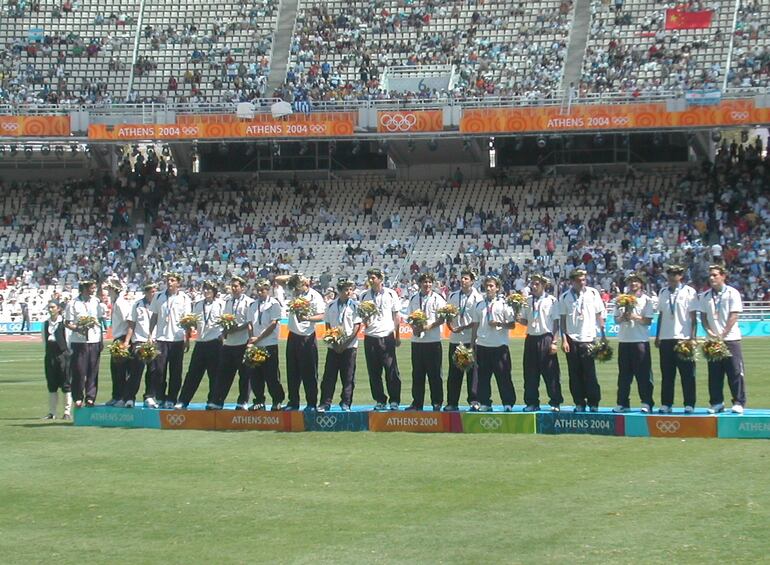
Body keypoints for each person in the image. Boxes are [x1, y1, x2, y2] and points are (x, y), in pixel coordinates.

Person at [700, 265, 746, 414]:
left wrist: (723, 333)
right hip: (713, 340)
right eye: (710, 275)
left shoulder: (732, 293)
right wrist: (708, 331)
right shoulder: (706, 296)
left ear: (723, 276)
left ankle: (738, 401)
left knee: (735, 371)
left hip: (730, 339)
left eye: (715, 275)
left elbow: (734, 315)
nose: (712, 278)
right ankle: (716, 402)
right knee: (714, 374)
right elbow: (703, 317)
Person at [275, 273, 325, 411]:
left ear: (306, 284)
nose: (296, 288)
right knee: (292, 371)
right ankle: (293, 402)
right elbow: (278, 279)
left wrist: (307, 318)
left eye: (300, 285)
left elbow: (321, 315)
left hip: (307, 336)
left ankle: (311, 403)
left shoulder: (315, 296)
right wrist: (295, 277)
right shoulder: (294, 291)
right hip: (293, 335)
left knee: (309, 372)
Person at [559, 269, 606, 412]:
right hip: (572, 339)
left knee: (590, 373)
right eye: (579, 280)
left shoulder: (593, 293)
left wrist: (603, 335)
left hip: (589, 338)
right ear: (572, 281)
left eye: (584, 280)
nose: (582, 283)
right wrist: (564, 340)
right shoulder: (565, 296)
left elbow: (599, 315)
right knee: (574, 374)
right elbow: (562, 320)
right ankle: (579, 402)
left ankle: (594, 403)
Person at [655, 265, 698, 414]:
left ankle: (689, 403)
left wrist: (693, 337)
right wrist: (658, 336)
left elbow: (693, 317)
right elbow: (661, 315)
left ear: (681, 276)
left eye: (676, 274)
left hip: (683, 338)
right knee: (667, 374)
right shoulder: (663, 292)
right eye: (670, 274)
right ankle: (667, 403)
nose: (672, 277)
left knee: (687, 374)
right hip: (666, 338)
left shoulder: (689, 292)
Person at [470, 276, 517, 411]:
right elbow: (475, 325)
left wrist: (499, 324)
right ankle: (485, 402)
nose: (489, 288)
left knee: (504, 377)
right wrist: (472, 344)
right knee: (483, 378)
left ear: (497, 288)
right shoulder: (479, 305)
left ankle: (507, 403)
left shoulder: (504, 304)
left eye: (491, 286)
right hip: (483, 346)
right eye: (487, 286)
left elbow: (512, 325)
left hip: (499, 346)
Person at [176, 281, 223, 409]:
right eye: (205, 289)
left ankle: (213, 401)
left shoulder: (221, 304)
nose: (207, 292)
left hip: (215, 342)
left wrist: (222, 336)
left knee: (214, 374)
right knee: (192, 374)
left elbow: (225, 323)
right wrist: (190, 327)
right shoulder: (197, 305)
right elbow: (194, 323)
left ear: (214, 291)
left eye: (209, 289)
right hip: (200, 343)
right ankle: (183, 401)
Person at [359, 268, 401, 410]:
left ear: (380, 279)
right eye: (369, 278)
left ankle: (394, 400)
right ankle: (380, 400)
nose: (371, 281)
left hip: (387, 336)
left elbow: (396, 316)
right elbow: (362, 317)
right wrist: (366, 320)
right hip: (370, 336)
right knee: (374, 372)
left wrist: (397, 335)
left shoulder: (391, 293)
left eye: (373, 278)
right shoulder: (364, 295)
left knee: (391, 370)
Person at [520, 274, 563, 412]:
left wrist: (555, 341)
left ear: (544, 285)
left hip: (546, 338)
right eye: (532, 283)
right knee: (530, 374)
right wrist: (517, 317)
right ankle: (532, 402)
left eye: (537, 284)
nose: (533, 286)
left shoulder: (551, 300)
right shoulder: (527, 300)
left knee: (551, 373)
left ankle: (555, 402)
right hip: (531, 338)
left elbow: (556, 322)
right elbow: (526, 321)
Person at [613, 272, 655, 413]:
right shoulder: (620, 300)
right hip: (624, 341)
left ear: (641, 284)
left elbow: (648, 321)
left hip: (640, 341)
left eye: (636, 281)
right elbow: (615, 319)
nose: (633, 284)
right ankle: (622, 403)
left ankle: (646, 403)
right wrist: (623, 317)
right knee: (624, 375)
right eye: (630, 281)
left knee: (643, 375)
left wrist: (634, 317)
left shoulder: (646, 300)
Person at [149, 272, 192, 408]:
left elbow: (187, 321)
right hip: (161, 338)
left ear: (178, 283)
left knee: (175, 371)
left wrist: (187, 338)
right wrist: (150, 334)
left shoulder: (185, 298)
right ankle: (160, 397)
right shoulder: (158, 296)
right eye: (168, 280)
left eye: (173, 280)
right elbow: (154, 317)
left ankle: (172, 398)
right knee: (159, 370)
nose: (169, 282)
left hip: (177, 338)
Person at [319, 279, 362, 411]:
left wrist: (345, 344)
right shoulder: (331, 305)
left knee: (348, 377)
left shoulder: (355, 305)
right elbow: (327, 324)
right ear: (339, 291)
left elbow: (357, 326)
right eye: (346, 290)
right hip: (333, 346)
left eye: (350, 289)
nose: (349, 292)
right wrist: (333, 341)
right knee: (329, 376)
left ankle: (346, 402)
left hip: (349, 347)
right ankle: (325, 403)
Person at [211, 275, 254, 410]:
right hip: (228, 344)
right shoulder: (227, 302)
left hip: (243, 342)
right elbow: (224, 320)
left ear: (243, 288)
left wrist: (236, 328)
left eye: (236, 286)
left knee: (245, 375)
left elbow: (249, 322)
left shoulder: (249, 302)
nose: (234, 289)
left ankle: (243, 402)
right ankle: (218, 401)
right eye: (232, 286)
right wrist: (224, 331)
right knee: (223, 374)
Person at [406, 273, 446, 411]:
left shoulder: (438, 299)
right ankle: (417, 403)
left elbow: (442, 319)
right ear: (420, 283)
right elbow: (409, 317)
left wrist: (428, 327)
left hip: (433, 341)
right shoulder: (413, 298)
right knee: (417, 374)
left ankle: (437, 402)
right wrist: (414, 328)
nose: (427, 284)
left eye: (429, 282)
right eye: (424, 282)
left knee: (435, 374)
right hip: (417, 341)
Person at [63, 279, 106, 408]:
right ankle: (77, 397)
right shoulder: (73, 303)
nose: (93, 290)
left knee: (93, 370)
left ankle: (90, 397)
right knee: (79, 371)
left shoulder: (96, 302)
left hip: (94, 340)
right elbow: (67, 322)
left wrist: (101, 339)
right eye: (91, 288)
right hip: (79, 341)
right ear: (84, 288)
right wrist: (77, 328)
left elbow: (99, 320)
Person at [444, 268, 482, 411]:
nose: (463, 280)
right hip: (455, 339)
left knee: (472, 373)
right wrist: (450, 325)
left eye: (466, 278)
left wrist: (464, 328)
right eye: (462, 278)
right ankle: (452, 402)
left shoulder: (478, 298)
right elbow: (448, 314)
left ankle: (474, 400)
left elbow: (477, 321)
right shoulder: (453, 296)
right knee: (454, 373)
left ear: (472, 281)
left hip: (470, 339)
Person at [246, 278, 285, 411]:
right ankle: (259, 400)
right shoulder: (252, 305)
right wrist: (252, 339)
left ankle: (277, 400)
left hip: (269, 343)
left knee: (272, 375)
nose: (260, 292)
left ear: (268, 290)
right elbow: (250, 323)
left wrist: (259, 338)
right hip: (256, 345)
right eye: (258, 290)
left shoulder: (274, 304)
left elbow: (273, 324)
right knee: (256, 374)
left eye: (263, 290)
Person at [123, 282, 158, 408]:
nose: (152, 293)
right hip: (140, 340)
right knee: (136, 371)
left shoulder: (159, 304)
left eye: (154, 291)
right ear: (145, 292)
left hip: (154, 341)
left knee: (153, 371)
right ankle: (130, 397)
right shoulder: (137, 305)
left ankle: (149, 396)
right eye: (150, 291)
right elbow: (131, 324)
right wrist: (127, 341)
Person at [104, 277, 133, 407]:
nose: (107, 291)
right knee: (115, 369)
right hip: (118, 338)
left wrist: (126, 341)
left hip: (122, 338)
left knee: (122, 370)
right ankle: (116, 396)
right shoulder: (117, 302)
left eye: (109, 288)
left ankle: (122, 397)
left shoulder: (121, 303)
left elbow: (129, 322)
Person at [42, 300, 71, 420]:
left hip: (63, 355)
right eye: (49, 307)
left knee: (66, 383)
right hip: (50, 355)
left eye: (52, 307)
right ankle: (52, 412)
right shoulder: (45, 323)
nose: (50, 309)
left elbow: (68, 340)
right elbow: (44, 340)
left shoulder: (64, 323)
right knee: (52, 384)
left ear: (58, 308)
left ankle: (67, 411)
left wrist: (68, 355)